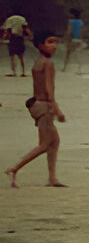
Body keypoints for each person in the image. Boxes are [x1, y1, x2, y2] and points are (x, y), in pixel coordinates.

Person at [5, 31, 67, 188]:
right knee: (44, 144)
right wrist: (57, 110)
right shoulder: (47, 63)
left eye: (55, 41)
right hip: (44, 106)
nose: (54, 45)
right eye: (50, 42)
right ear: (41, 46)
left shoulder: (37, 62)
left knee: (54, 142)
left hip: (36, 105)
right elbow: (49, 89)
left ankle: (52, 178)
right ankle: (15, 168)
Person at [62, 8, 84, 72]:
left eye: (70, 13)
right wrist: (81, 40)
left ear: (73, 15)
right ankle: (79, 68)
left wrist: (64, 38)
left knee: (68, 54)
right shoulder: (81, 22)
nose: (69, 15)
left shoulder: (70, 21)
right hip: (78, 40)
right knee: (77, 53)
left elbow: (69, 31)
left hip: (72, 39)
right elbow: (82, 32)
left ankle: (65, 68)